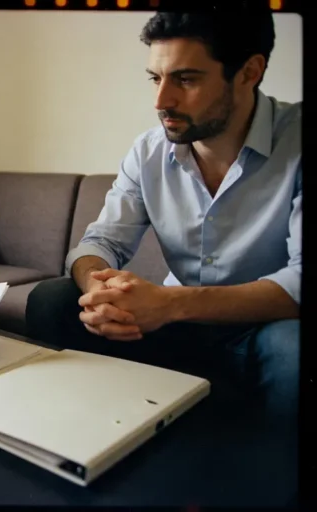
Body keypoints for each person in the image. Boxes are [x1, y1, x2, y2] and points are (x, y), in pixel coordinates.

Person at [26, 5, 300, 423]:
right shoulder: (148, 151)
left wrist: (171, 303)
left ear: (249, 72)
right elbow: (100, 242)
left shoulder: (296, 141)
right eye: (156, 78)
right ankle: (81, 437)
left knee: (293, 347)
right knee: (53, 299)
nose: (161, 100)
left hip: (264, 328)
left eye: (186, 79)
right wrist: (100, 287)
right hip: (177, 329)